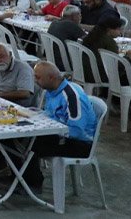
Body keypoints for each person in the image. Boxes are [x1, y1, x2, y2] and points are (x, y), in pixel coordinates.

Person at [21, 62, 98, 191]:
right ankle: (20, 178)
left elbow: (76, 130)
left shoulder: (71, 95)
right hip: (61, 135)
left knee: (28, 143)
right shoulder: (52, 91)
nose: (35, 81)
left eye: (38, 77)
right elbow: (52, 115)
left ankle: (32, 184)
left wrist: (47, 130)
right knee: (19, 137)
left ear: (51, 78)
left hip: (79, 143)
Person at [0, 42, 35, 106]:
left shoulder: (22, 68)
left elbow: (25, 93)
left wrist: (0, 95)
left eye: (1, 56)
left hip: (16, 106)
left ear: (10, 54)